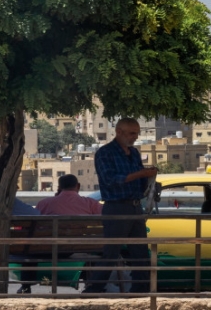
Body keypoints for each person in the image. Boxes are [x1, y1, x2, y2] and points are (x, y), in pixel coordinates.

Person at [83, 118, 157, 294]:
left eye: (137, 133)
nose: (135, 137)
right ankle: (94, 289)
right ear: (119, 132)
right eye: (131, 133)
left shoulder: (134, 153)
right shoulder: (105, 153)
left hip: (135, 206)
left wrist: (148, 176)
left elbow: (139, 180)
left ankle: (141, 290)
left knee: (140, 253)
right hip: (116, 207)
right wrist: (140, 174)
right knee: (111, 251)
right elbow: (110, 180)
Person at [12, 174, 104, 293]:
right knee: (96, 252)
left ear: (59, 187)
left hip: (46, 249)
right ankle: (94, 286)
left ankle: (26, 286)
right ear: (78, 186)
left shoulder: (44, 203)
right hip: (71, 249)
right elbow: (106, 216)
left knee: (30, 251)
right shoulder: (90, 203)